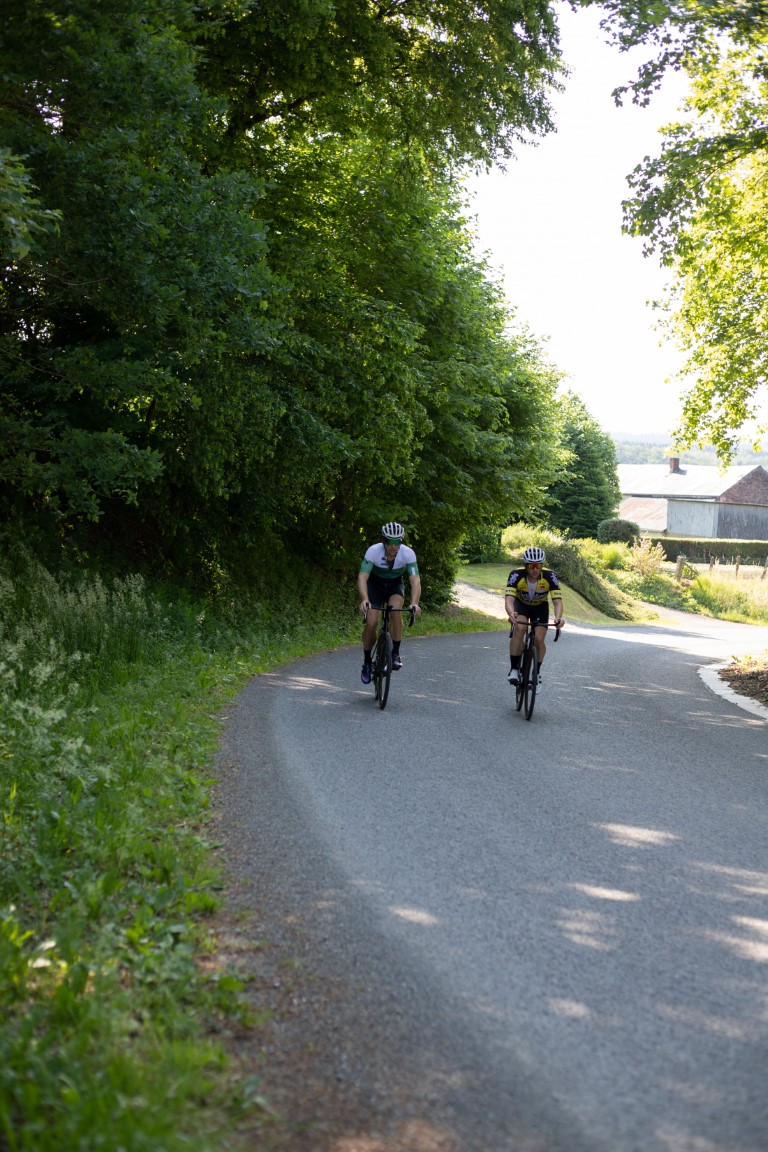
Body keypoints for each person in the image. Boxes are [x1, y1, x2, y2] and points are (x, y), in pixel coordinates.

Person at [358, 521, 422, 684]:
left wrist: (414, 603)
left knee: (395, 610)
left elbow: (415, 581)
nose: (393, 546)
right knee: (372, 622)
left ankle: (395, 653)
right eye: (390, 542)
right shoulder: (373, 551)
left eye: (397, 542)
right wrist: (365, 599)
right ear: (383, 541)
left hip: (394, 586)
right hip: (375, 586)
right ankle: (367, 662)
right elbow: (363, 577)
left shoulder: (407, 554)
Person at [505, 545, 564, 685]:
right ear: (526, 566)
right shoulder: (516, 575)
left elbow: (557, 602)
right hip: (521, 605)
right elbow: (509, 599)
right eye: (531, 566)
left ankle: (536, 672)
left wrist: (558, 618)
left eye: (538, 565)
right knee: (520, 629)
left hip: (540, 607)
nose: (535, 569)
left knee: (539, 639)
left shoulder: (550, 576)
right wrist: (511, 613)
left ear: (542, 565)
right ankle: (514, 669)